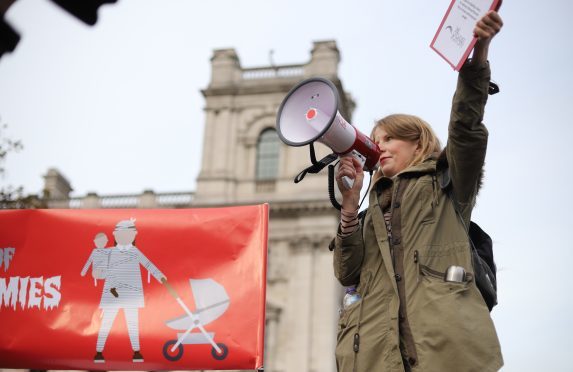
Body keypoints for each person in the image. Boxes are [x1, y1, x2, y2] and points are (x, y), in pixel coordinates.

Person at [332, 10, 504, 372]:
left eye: (390, 138)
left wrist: (478, 58)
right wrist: (349, 208)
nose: (380, 147)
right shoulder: (368, 213)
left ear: (418, 143)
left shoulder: (447, 185)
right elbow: (347, 273)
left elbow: (466, 131)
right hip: (378, 357)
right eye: (376, 141)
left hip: (444, 353)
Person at [92, 218, 166, 364]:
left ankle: (136, 351)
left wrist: (160, 276)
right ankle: (99, 351)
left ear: (133, 236)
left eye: (129, 234)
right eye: (123, 233)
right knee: (107, 322)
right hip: (112, 291)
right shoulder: (108, 253)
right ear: (115, 235)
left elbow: (148, 264)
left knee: (132, 323)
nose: (126, 236)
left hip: (131, 292)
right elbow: (99, 273)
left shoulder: (135, 252)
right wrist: (99, 272)